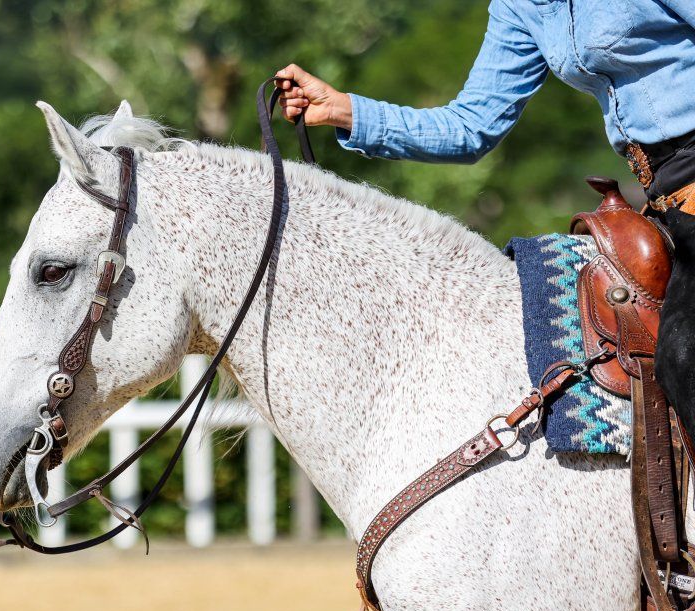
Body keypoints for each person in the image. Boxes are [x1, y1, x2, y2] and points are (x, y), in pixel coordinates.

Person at [275, 0, 695, 437]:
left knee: (684, 352)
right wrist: (346, 111)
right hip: (665, 197)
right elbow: (471, 126)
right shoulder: (520, 7)